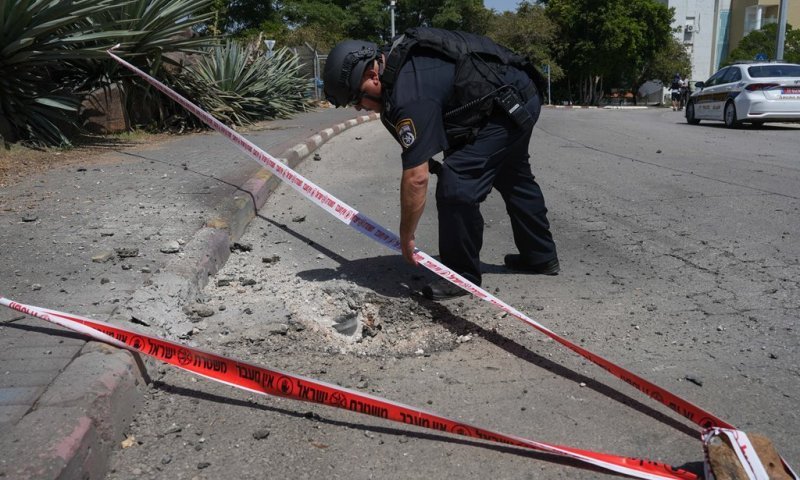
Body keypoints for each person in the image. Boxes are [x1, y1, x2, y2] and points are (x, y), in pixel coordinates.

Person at [322, 28, 559, 300]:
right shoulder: (399, 71)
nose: (358, 107)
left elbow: (417, 177)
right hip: (513, 95)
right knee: (512, 176)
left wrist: (406, 235)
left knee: (457, 184)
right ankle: (540, 256)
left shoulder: (409, 94)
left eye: (355, 98)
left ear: (372, 75)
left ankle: (461, 277)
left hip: (508, 104)